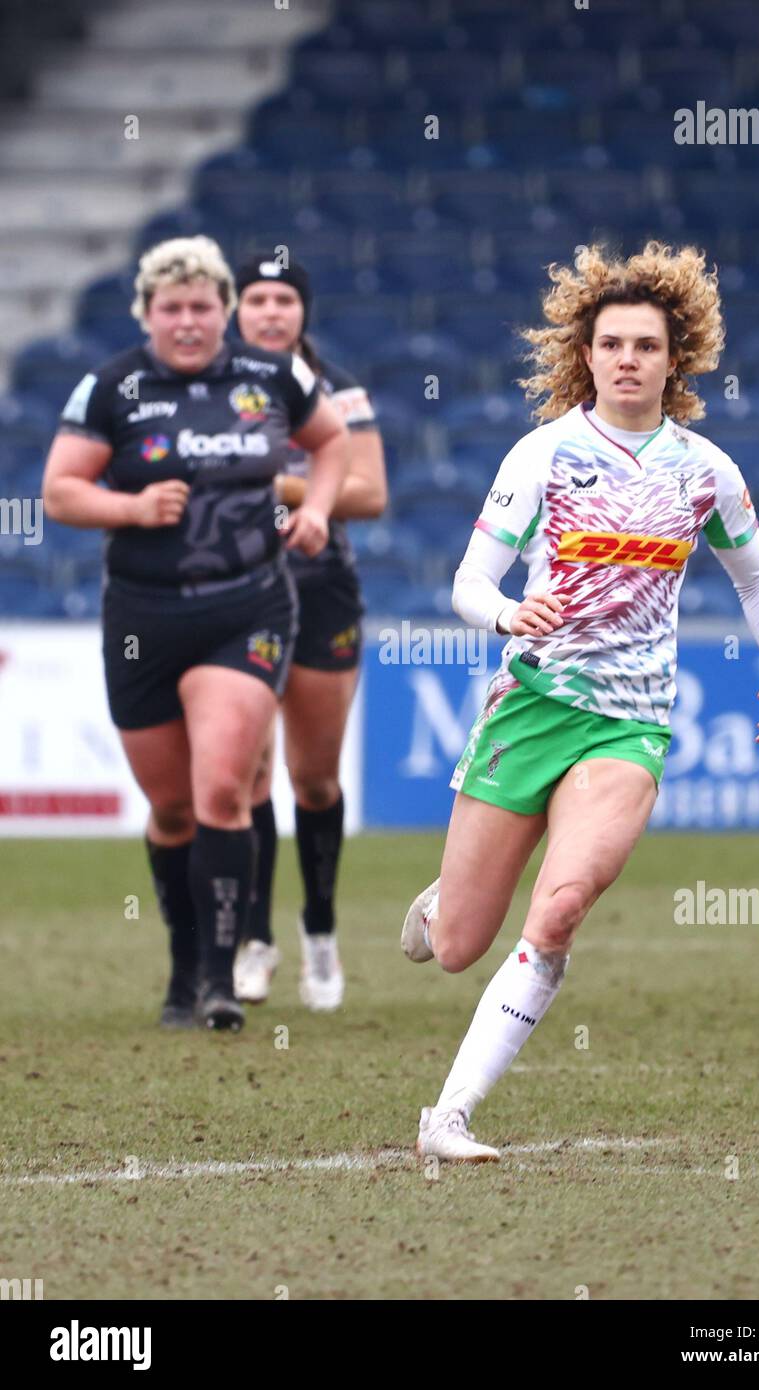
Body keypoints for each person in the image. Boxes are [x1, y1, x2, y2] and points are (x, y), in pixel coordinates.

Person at [400, 241, 759, 1161]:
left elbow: (758, 580)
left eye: (647, 346)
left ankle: (449, 1116)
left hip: (630, 722)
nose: (628, 359)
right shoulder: (544, 453)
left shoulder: (706, 470)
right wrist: (509, 613)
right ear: (583, 355)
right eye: (613, 343)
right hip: (531, 707)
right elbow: (470, 580)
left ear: (678, 358)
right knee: (463, 943)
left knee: (560, 908)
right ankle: (441, 905)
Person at [41, 236, 349, 1031]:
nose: (187, 322)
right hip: (143, 617)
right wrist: (131, 509)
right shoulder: (111, 386)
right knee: (172, 808)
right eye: (170, 309)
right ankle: (183, 965)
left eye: (202, 307)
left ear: (225, 312)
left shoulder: (272, 375)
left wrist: (315, 510)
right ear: (148, 314)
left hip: (246, 608)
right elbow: (62, 492)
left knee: (223, 787)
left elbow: (333, 441)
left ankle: (220, 980)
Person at [230, 252, 386, 1011]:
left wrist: (283, 483)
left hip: (321, 592)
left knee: (314, 777)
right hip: (235, 592)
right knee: (247, 772)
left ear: (303, 312)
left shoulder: (339, 390)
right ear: (236, 307)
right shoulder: (212, 387)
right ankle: (254, 940)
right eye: (255, 297)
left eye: (283, 298)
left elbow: (371, 491)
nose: (269, 311)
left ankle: (319, 930)